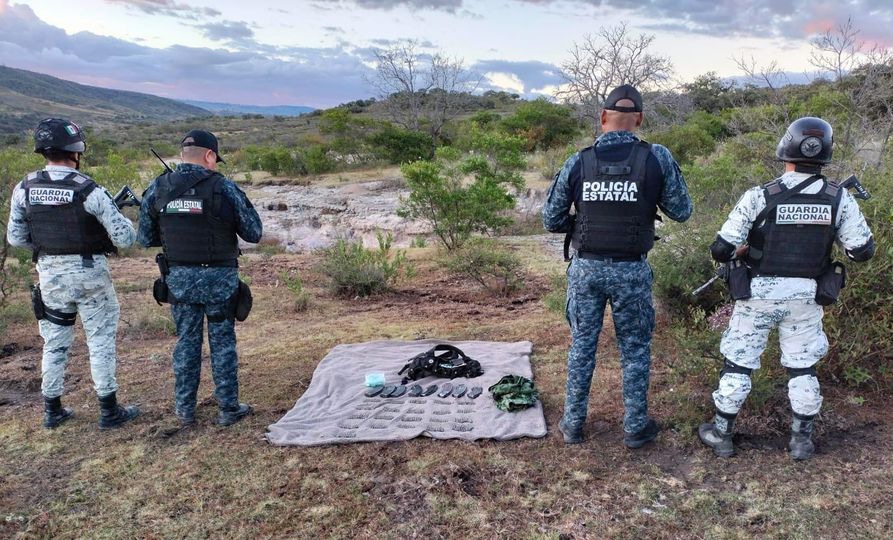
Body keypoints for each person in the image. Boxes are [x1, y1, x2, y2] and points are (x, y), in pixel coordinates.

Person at [699, 117, 875, 460]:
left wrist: (745, 251)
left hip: (757, 295)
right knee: (802, 367)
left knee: (738, 363)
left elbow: (720, 249)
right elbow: (862, 252)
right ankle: (801, 441)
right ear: (825, 154)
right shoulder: (839, 198)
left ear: (786, 149)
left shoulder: (760, 195)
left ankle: (722, 433)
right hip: (806, 298)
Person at [542, 85, 693, 448]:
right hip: (632, 271)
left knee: (582, 345)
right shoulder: (656, 157)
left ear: (603, 117)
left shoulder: (578, 160)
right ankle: (635, 427)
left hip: (587, 269)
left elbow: (551, 218)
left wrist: (582, 222)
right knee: (635, 349)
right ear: (639, 119)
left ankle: (574, 424)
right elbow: (682, 211)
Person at [6, 118, 140, 429]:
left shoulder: (24, 188)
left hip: (50, 277)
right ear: (75, 151)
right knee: (100, 341)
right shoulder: (88, 189)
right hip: (90, 276)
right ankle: (109, 410)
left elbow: (15, 237)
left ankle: (52, 410)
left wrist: (48, 249)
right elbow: (125, 239)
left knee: (54, 341)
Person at [138, 130, 262, 426]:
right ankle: (228, 409)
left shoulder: (157, 189)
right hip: (220, 281)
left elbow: (145, 238)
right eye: (215, 159)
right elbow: (254, 233)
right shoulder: (224, 188)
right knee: (222, 343)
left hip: (180, 282)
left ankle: (184, 410)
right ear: (209, 155)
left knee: (186, 343)